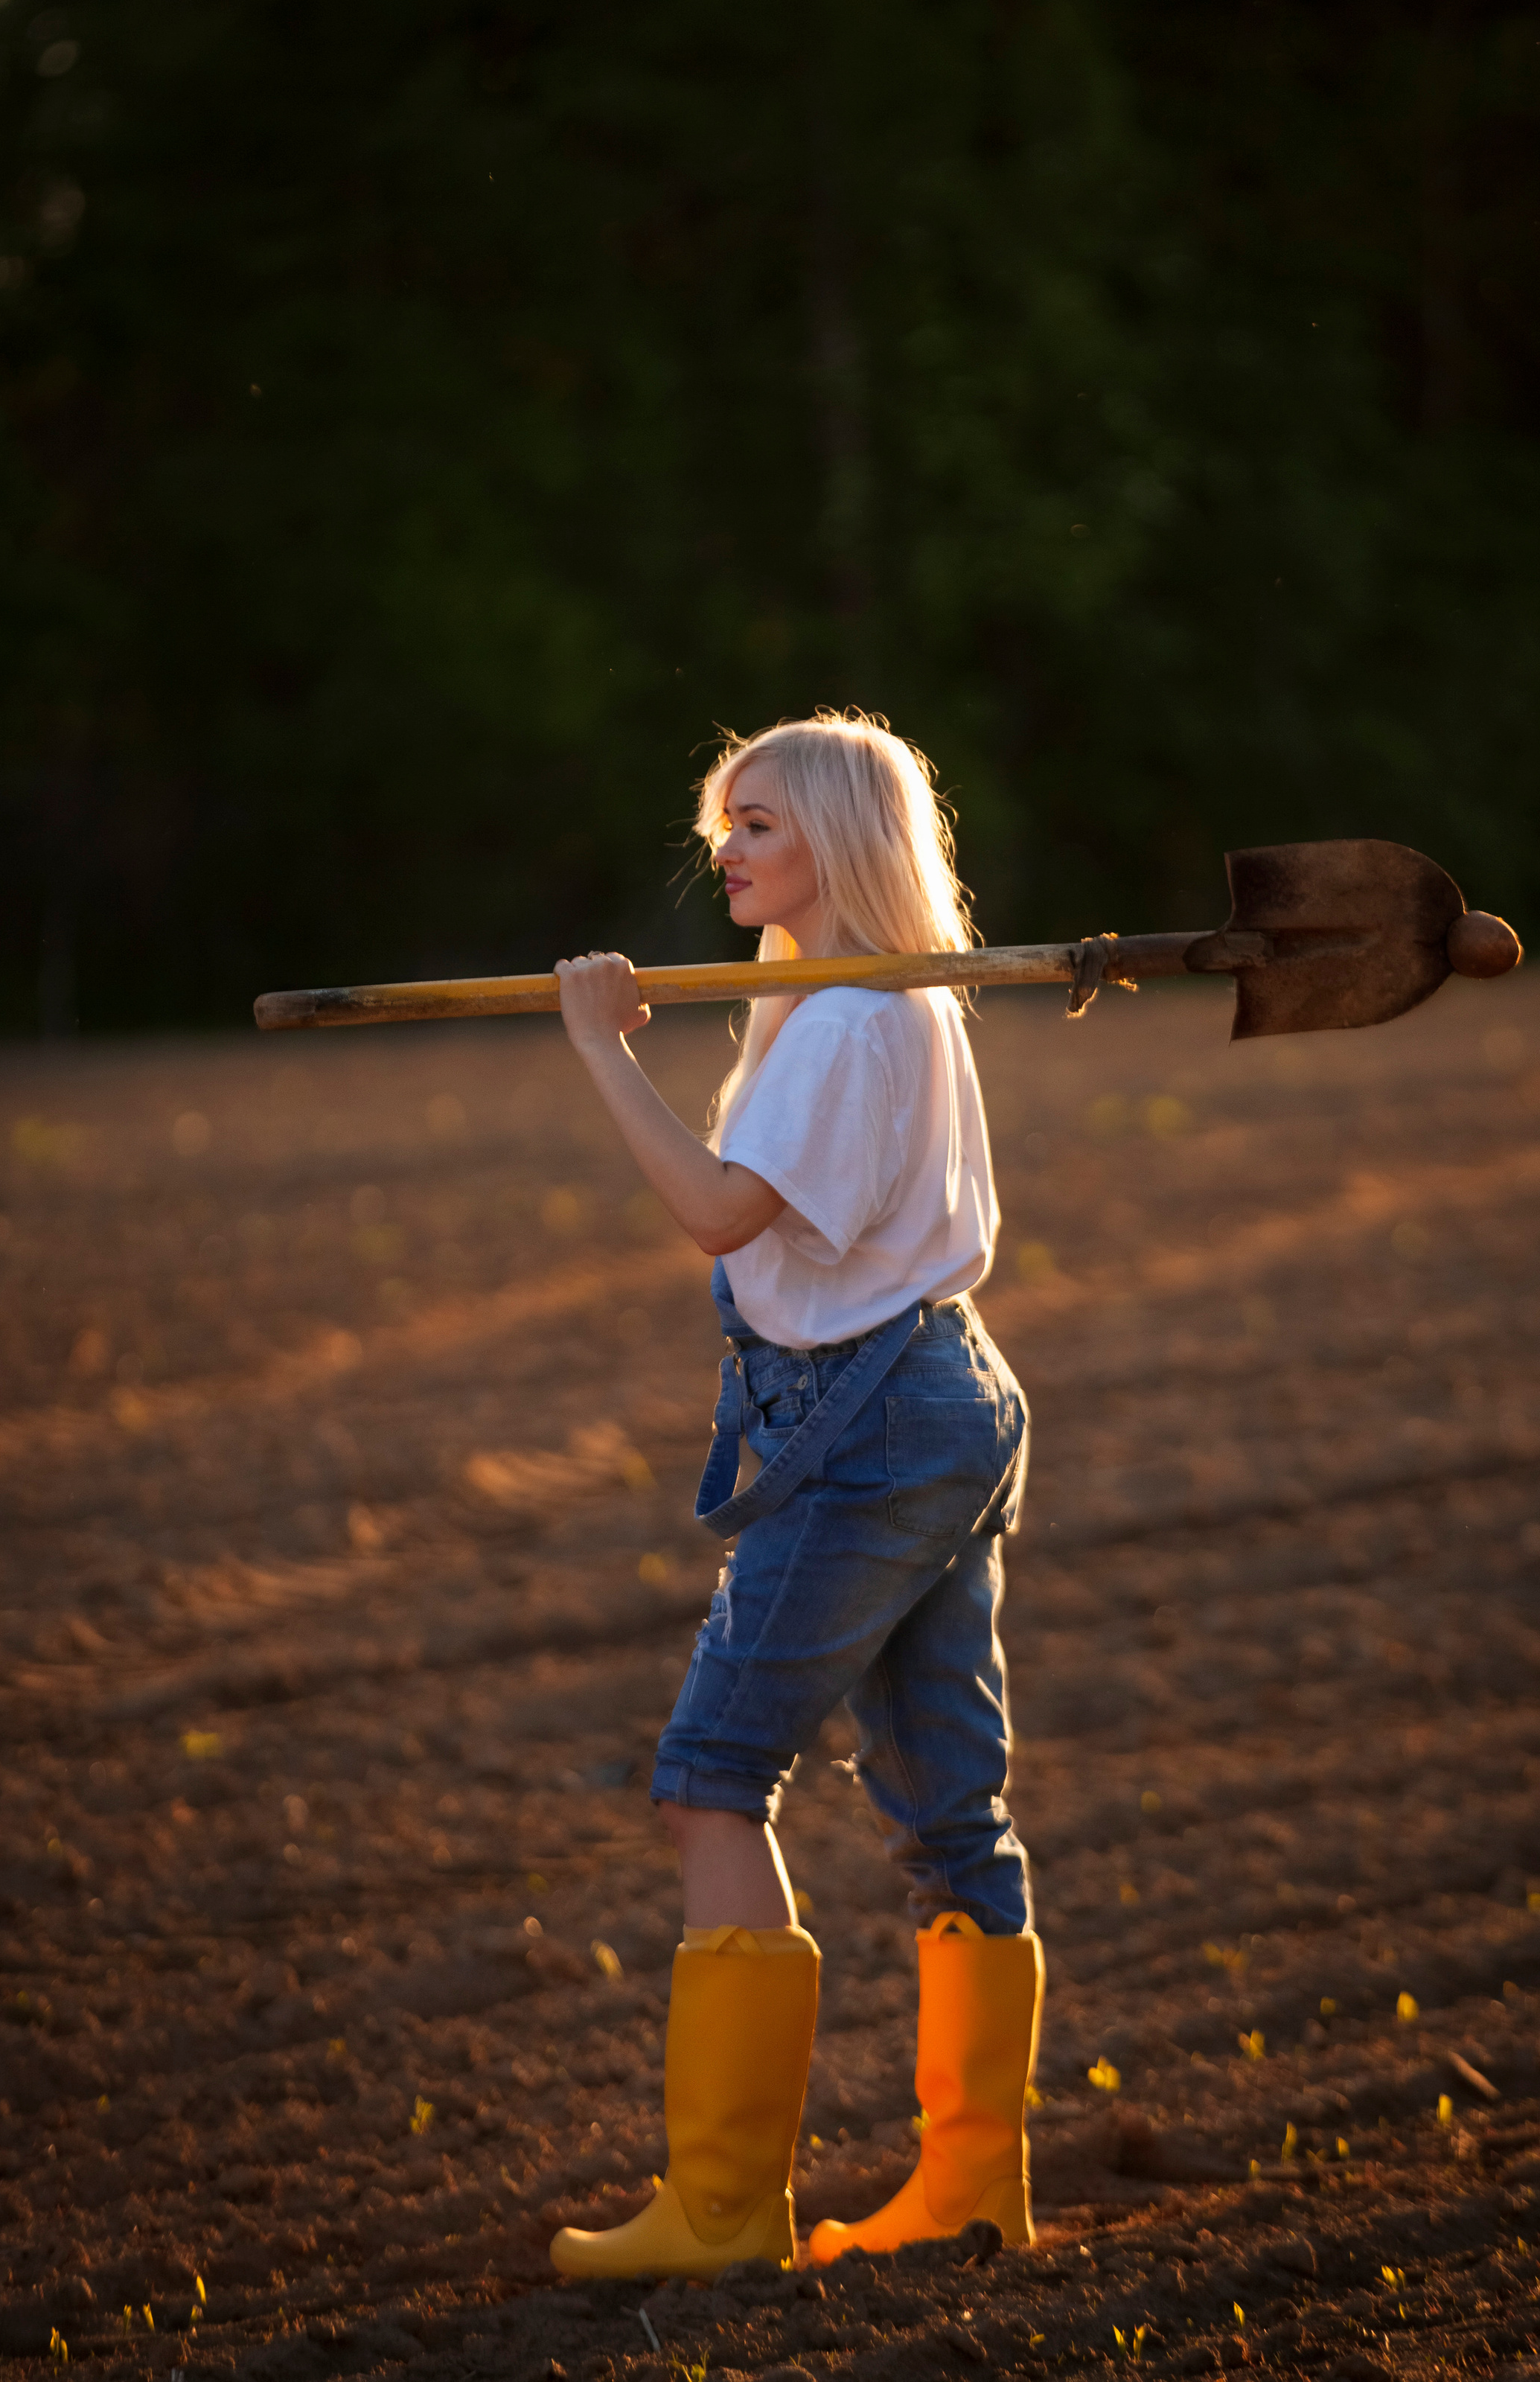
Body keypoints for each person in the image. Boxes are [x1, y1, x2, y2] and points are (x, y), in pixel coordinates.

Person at [545, 711, 1041, 2282]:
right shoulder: (877, 1000)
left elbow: (711, 1210)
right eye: (724, 823)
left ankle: (718, 2208)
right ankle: (972, 2184)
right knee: (946, 1808)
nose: (726, 847)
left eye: (756, 821)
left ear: (836, 835)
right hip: (940, 1392)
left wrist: (596, 1051)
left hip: (873, 1424)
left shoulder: (840, 1019)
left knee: (710, 1773)